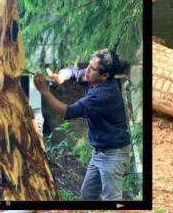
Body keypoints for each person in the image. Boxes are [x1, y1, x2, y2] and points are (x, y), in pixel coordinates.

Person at [34, 49, 131, 201]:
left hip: (113, 153)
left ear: (105, 75)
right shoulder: (95, 78)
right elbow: (74, 72)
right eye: (89, 66)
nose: (86, 70)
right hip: (99, 151)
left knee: (112, 199)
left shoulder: (103, 95)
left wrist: (45, 92)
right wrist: (61, 76)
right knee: (88, 194)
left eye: (91, 69)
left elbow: (68, 112)